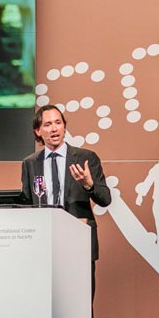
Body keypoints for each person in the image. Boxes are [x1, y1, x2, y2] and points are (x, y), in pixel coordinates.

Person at [19, 104, 111, 279]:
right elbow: (27, 204)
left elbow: (105, 199)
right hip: (44, 241)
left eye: (58, 123)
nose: (54, 129)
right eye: (47, 125)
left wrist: (88, 184)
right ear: (38, 131)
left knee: (80, 304)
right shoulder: (30, 163)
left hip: (78, 238)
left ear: (64, 126)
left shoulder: (86, 157)